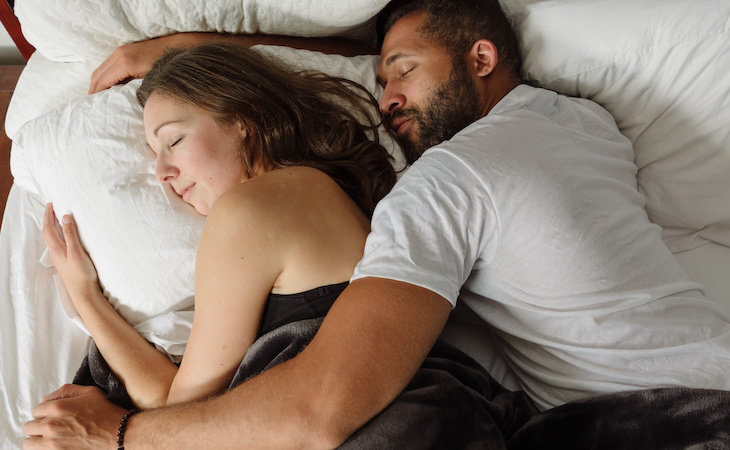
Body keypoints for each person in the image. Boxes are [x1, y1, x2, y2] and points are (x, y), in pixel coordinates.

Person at [24, 0, 730, 448]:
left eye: (403, 73)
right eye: (384, 81)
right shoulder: (582, 122)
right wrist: (194, 53)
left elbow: (321, 409)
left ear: (481, 59)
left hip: (667, 424)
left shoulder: (447, 186)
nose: (387, 97)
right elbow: (359, 66)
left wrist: (118, 435)